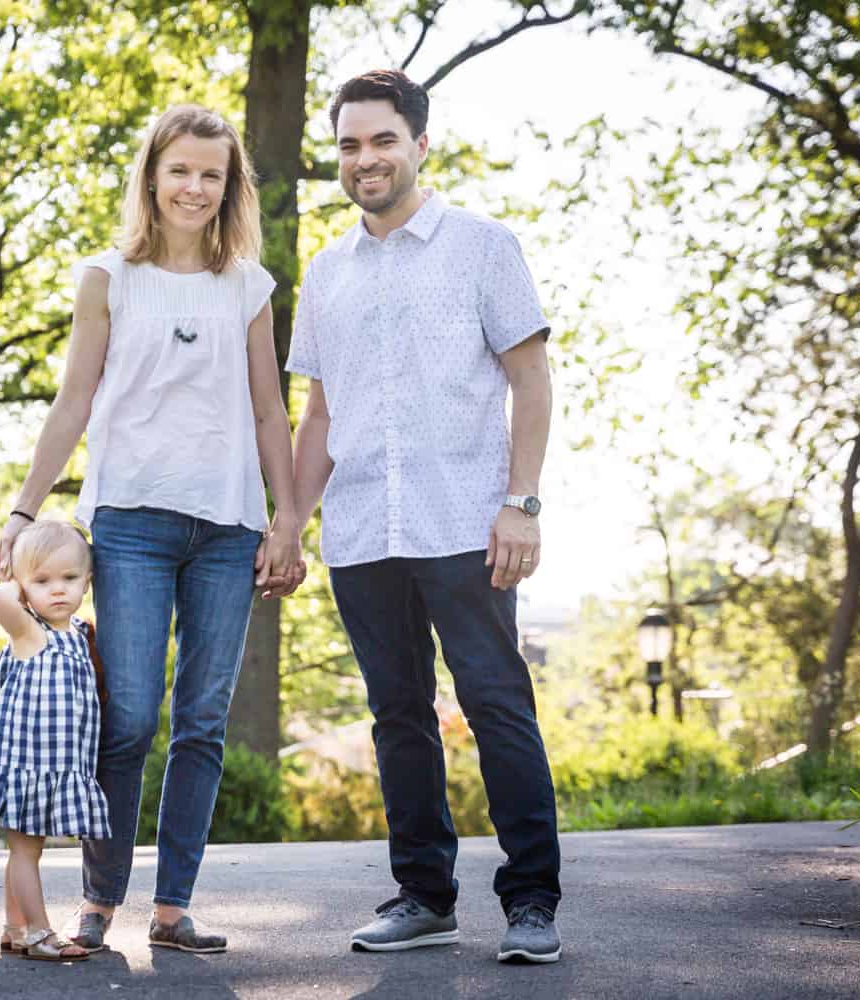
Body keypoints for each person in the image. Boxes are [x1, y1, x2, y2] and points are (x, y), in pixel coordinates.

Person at [0, 104, 305, 955]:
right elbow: (74, 401)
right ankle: (101, 896)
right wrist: (25, 509)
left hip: (229, 528)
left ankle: (173, 909)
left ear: (229, 185)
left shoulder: (249, 286)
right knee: (127, 718)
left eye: (212, 174)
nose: (195, 188)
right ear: (153, 176)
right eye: (181, 171)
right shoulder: (108, 277)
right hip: (129, 522)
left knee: (202, 722)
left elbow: (270, 410)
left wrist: (287, 524)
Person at [288, 69, 564, 964]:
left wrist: (521, 504)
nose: (364, 158)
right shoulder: (325, 273)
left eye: (381, 140)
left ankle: (530, 903)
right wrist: (290, 519)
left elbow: (530, 377)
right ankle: (423, 896)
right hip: (365, 529)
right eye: (348, 144)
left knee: (495, 704)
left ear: (418, 145)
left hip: (464, 520)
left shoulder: (483, 247)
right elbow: (320, 415)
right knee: (397, 715)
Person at [0, 519, 110, 962]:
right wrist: (16, 583)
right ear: (24, 589)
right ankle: (38, 933)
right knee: (26, 853)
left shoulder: (80, 635)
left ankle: (14, 926)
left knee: (26, 851)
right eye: (42, 581)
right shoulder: (30, 632)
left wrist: (34, 581)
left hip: (58, 769)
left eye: (69, 578)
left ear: (87, 581)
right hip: (27, 769)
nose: (57, 590)